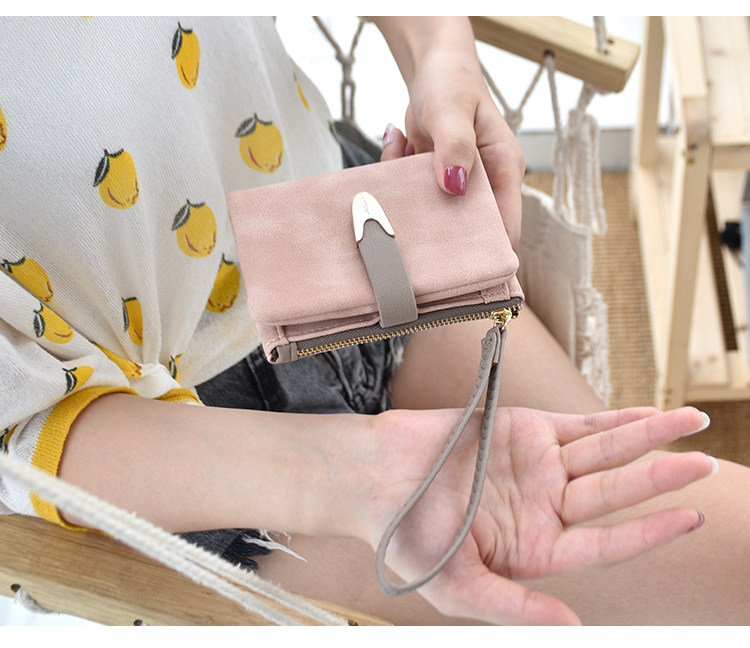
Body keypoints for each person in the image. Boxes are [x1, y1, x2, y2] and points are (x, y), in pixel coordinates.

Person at [0, 16, 747, 626]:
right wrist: (354, 468)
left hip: (344, 229)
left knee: (703, 544)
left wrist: (442, 52)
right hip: (181, 457)